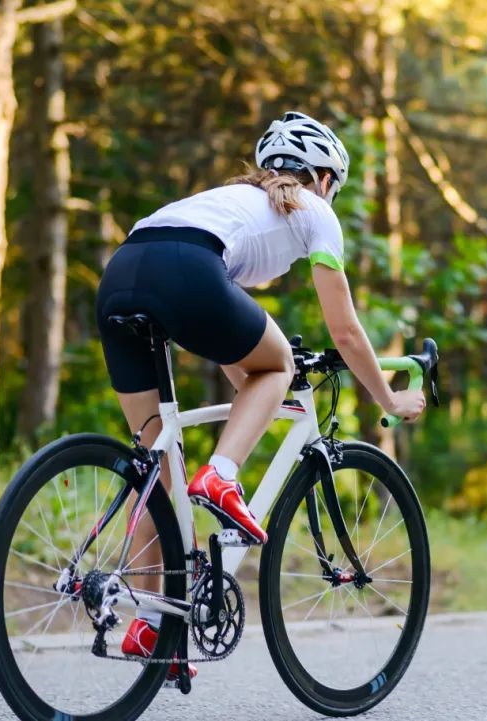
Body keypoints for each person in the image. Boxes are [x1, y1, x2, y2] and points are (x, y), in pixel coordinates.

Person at [95, 111, 426, 677]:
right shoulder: (315, 211)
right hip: (187, 271)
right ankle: (222, 473)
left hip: (121, 272)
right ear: (323, 178)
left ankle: (154, 622)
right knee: (280, 365)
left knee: (158, 472)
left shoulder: (227, 203)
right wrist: (389, 400)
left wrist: (259, 391)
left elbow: (227, 344)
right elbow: (345, 331)